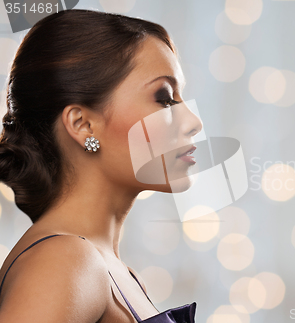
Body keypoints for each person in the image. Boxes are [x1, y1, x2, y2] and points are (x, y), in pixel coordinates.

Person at [0, 8, 202, 322]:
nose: (193, 122)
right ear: (83, 125)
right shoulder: (65, 261)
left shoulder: (113, 270)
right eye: (164, 97)